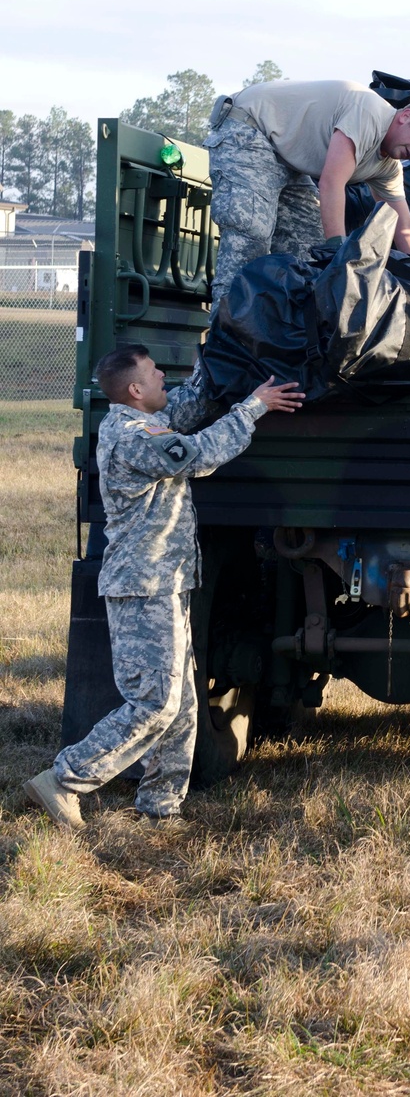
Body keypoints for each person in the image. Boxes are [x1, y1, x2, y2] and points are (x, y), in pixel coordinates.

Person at [24, 345, 304, 829]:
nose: (163, 380)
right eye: (155, 375)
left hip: (166, 582)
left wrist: (215, 356)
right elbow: (199, 454)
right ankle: (64, 778)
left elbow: (184, 407)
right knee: (154, 703)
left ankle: (160, 808)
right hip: (143, 587)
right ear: (135, 390)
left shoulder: (144, 420)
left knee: (182, 705)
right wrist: (254, 406)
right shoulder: (134, 436)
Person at [203, 80, 410, 313]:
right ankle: (219, 348)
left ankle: (274, 342)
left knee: (310, 252)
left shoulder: (388, 166)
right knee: (251, 237)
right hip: (249, 127)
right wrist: (338, 254)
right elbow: (331, 183)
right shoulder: (370, 112)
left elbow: (405, 227)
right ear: (406, 116)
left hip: (287, 159)